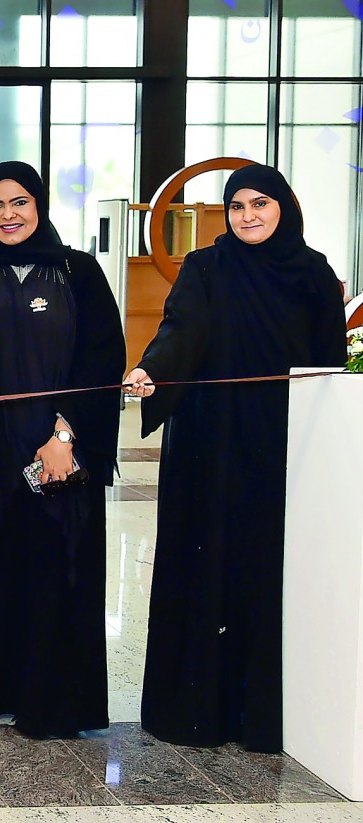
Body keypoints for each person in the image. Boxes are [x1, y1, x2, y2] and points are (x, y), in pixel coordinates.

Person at [124, 163, 346, 753]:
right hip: (209, 442)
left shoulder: (314, 273)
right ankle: (195, 713)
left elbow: (328, 362)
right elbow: (180, 331)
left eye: (260, 204)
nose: (248, 216)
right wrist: (151, 370)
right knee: (206, 563)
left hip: (281, 446)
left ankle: (263, 716)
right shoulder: (205, 267)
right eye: (238, 206)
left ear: (284, 207)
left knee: (267, 569)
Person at [0, 161, 125, 738]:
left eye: (19, 203)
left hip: (58, 451)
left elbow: (102, 358)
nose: (7, 215)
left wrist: (65, 436)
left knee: (55, 569)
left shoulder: (78, 271)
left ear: (39, 206)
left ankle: (51, 706)